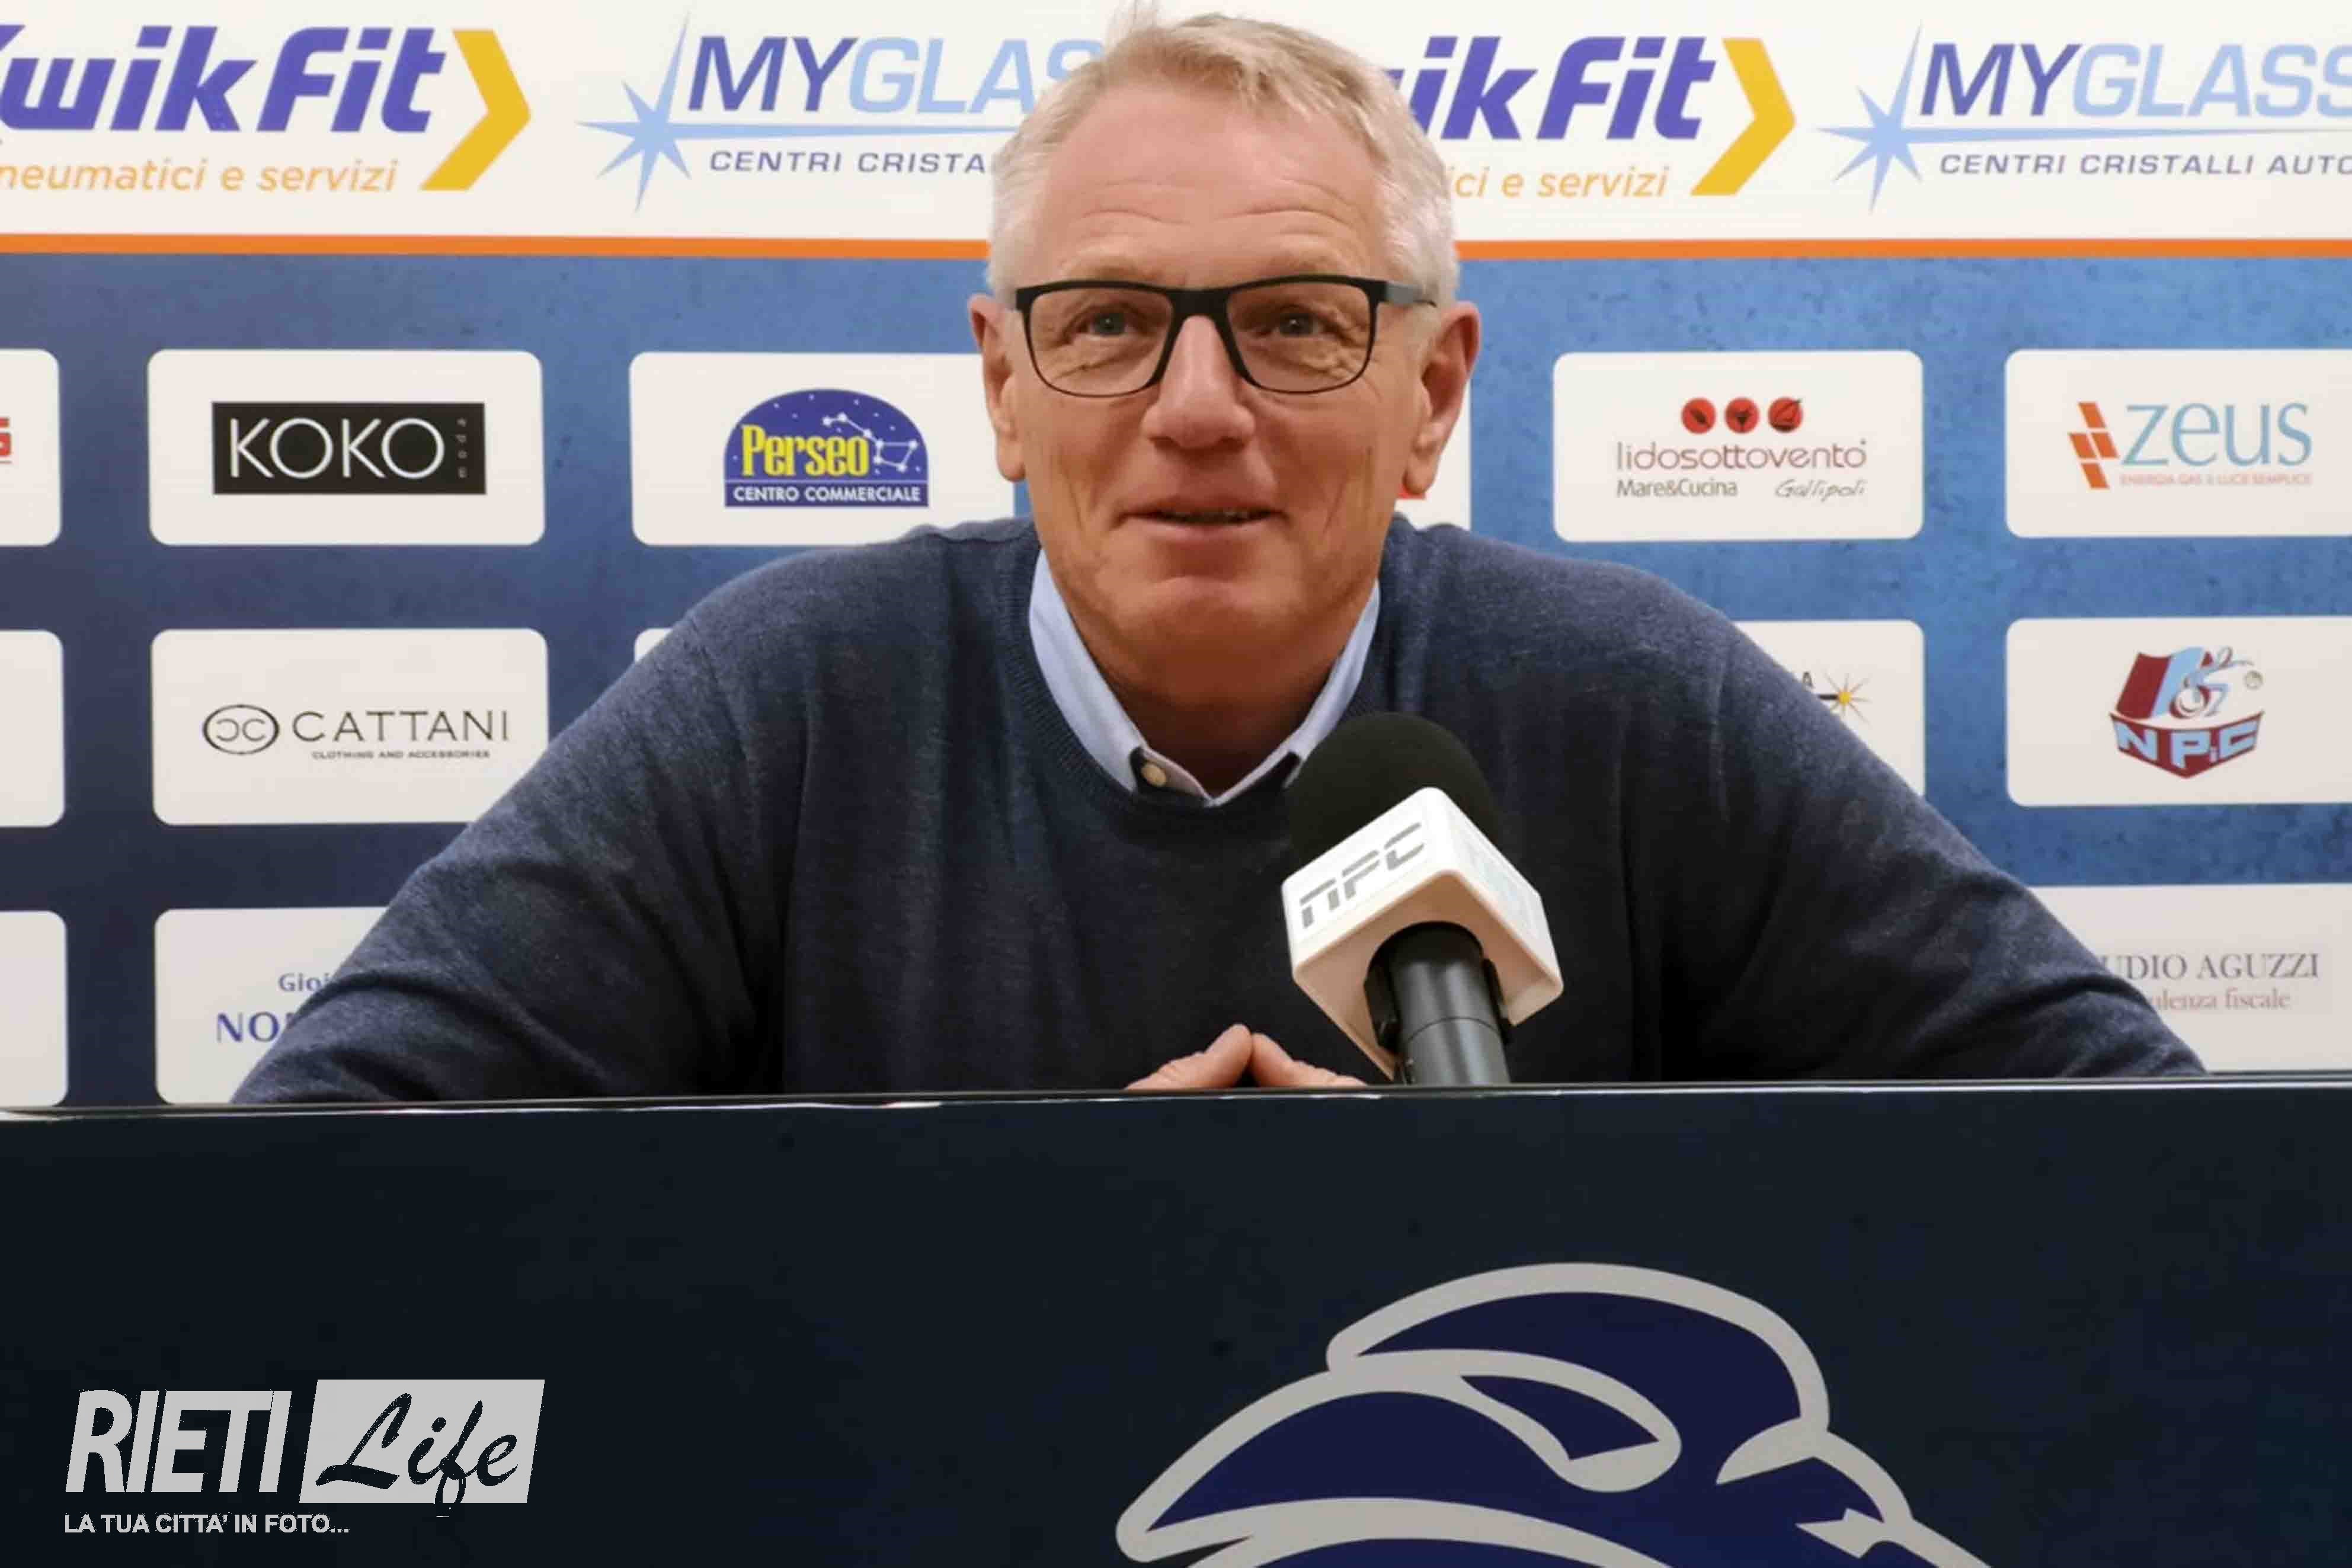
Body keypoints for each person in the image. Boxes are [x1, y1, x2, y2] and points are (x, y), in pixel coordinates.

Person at [234, 12, 2196, 1104]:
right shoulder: (786, 700)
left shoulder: (1630, 695)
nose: (1193, 408)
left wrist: (1516, 1231)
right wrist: (1025, 1242)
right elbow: (315, 1170)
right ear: (1003, 388)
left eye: (1292, 323)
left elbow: (2134, 1161)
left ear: (1431, 393)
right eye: (1105, 323)